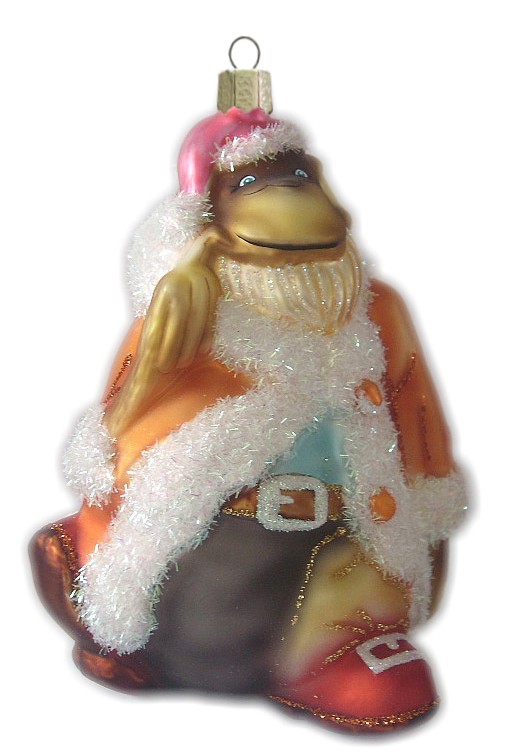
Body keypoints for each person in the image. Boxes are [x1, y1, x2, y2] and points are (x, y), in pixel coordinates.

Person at [30, 106, 467, 732]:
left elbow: (416, 415)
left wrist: (429, 514)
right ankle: (135, 627)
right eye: (251, 182)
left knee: (375, 621)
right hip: (225, 532)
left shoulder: (374, 313)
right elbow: (125, 429)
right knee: (213, 645)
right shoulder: (191, 310)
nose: (287, 199)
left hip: (356, 525)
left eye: (297, 176)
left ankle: (329, 650)